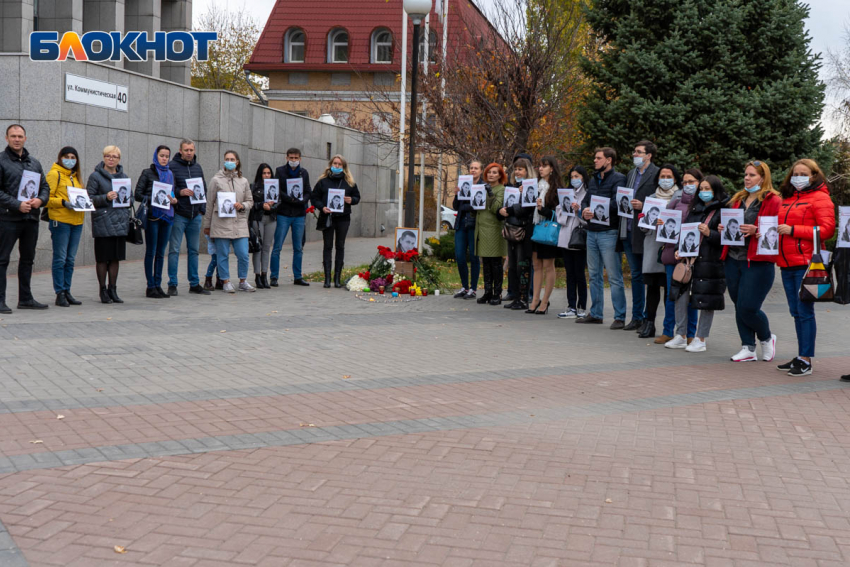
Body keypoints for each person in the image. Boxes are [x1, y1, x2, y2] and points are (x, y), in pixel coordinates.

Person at [774, 159, 835, 376]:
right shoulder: (788, 199)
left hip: (807, 263)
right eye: (795, 173)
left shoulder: (821, 198)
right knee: (796, 312)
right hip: (786, 263)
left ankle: (806, 359)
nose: (798, 177)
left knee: (804, 311)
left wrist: (793, 230)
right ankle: (801, 355)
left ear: (814, 176)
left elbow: (827, 230)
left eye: (803, 173)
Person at [721, 160, 781, 363]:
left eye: (752, 175)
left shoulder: (773, 200)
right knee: (738, 305)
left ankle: (766, 338)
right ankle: (747, 347)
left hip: (757, 261)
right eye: (745, 174)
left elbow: (778, 229)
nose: (747, 178)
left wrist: (758, 231)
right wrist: (723, 229)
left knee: (748, 307)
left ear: (763, 178)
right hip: (733, 259)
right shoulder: (738, 199)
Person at [665, 175, 728, 353]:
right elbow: (684, 231)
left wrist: (710, 233)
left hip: (710, 262)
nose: (704, 192)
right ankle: (681, 335)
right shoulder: (695, 209)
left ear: (715, 190)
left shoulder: (723, 210)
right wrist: (679, 248)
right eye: (702, 189)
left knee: (707, 300)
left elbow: (728, 239)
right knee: (680, 295)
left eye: (707, 189)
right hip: (689, 260)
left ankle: (701, 338)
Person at [0, 124, 51, 313]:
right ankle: (0, 300)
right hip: (8, 219)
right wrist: (16, 204)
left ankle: (26, 298)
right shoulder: (1, 161)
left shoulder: (34, 163)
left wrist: (40, 199)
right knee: (2, 260)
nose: (16, 139)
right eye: (13, 136)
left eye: (20, 136)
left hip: (31, 219)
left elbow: (45, 187)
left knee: (28, 260)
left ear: (25, 139)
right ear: (6, 138)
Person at [577, 148, 627, 326]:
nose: (595, 161)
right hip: (592, 232)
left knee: (614, 277)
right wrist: (585, 210)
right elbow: (585, 199)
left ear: (609, 160)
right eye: (595, 158)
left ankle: (619, 316)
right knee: (594, 275)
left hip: (609, 233)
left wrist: (596, 209)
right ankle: (596, 313)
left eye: (598, 158)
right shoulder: (593, 179)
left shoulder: (619, 178)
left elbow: (617, 203)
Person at [636, 164, 679, 338]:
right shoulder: (651, 198)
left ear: (675, 179)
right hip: (653, 247)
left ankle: (669, 328)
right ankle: (649, 323)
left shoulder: (680, 198)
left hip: (671, 249)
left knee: (669, 289)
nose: (666, 179)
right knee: (652, 287)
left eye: (669, 176)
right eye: (663, 176)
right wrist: (644, 221)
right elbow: (645, 229)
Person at [621, 140, 660, 331]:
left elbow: (662, 201)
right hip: (629, 230)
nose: (635, 155)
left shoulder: (657, 174)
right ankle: (636, 317)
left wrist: (643, 206)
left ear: (649, 155)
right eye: (634, 152)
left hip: (647, 232)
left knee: (649, 277)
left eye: (639, 152)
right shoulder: (631, 174)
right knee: (635, 275)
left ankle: (648, 318)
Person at [203, 150, 255, 293]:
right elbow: (209, 203)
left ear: (237, 162)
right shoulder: (216, 180)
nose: (230, 161)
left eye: (232, 159)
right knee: (222, 254)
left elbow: (250, 201)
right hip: (221, 223)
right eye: (227, 159)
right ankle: (225, 281)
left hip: (239, 223)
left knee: (243, 254)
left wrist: (242, 205)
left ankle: (243, 281)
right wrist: (207, 225)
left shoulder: (243, 181)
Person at [86, 145, 131, 304]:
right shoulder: (95, 176)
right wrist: (105, 197)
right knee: (102, 258)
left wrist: (126, 199)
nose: (111, 159)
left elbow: (130, 200)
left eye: (114, 156)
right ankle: (102, 289)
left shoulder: (123, 176)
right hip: (103, 221)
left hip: (119, 222)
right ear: (104, 157)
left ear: (119, 159)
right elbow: (88, 198)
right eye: (108, 156)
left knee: (115, 258)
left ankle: (113, 288)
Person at [167, 138, 210, 296]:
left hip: (195, 216)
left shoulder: (198, 167)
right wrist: (180, 192)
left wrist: (202, 210)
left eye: (191, 150)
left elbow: (203, 189)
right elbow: (168, 189)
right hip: (179, 214)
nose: (189, 153)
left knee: (194, 251)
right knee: (174, 250)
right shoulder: (172, 167)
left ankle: (194, 283)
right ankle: (172, 283)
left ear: (194, 151)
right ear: (180, 151)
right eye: (186, 150)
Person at [311, 155, 361, 288]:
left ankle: (337, 278)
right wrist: (322, 207)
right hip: (328, 217)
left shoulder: (349, 182)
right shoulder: (323, 181)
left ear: (344, 167)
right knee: (327, 246)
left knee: (340, 246)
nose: (337, 166)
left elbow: (357, 197)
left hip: (343, 218)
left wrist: (351, 200)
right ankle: (327, 278)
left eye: (339, 164)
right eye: (335, 163)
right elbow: (314, 197)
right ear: (330, 165)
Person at [135, 145, 178, 299]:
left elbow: (172, 192)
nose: (164, 159)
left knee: (161, 253)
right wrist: (152, 198)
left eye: (167, 156)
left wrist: (174, 199)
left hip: (167, 216)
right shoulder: (147, 173)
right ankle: (150, 286)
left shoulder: (171, 174)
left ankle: (158, 285)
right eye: (162, 155)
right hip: (153, 216)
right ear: (156, 156)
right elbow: (137, 194)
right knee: (151, 251)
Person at [45, 146, 85, 307]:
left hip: (77, 222)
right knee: (60, 258)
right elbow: (46, 198)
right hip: (60, 221)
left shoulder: (76, 177)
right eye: (67, 156)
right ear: (60, 157)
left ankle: (67, 290)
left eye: (73, 157)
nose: (70, 160)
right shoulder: (54, 174)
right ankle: (59, 292)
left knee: (70, 259)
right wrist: (63, 202)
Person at [527, 156, 563, 315]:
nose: (540, 169)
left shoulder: (557, 189)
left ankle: (545, 301)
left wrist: (543, 210)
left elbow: (559, 214)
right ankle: (535, 299)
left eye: (544, 166)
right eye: (539, 166)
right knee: (536, 266)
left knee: (548, 266)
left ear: (552, 169)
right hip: (536, 229)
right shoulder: (536, 186)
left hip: (549, 231)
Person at [272, 148, 311, 287]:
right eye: (291, 158)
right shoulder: (280, 171)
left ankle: (298, 276)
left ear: (300, 158)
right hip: (284, 213)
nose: (293, 160)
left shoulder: (304, 173)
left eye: (296, 158)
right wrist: (289, 198)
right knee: (277, 246)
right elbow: (276, 189)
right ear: (286, 157)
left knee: (298, 248)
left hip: (299, 214)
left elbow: (308, 191)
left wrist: (302, 200)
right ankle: (274, 276)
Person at [500, 157, 535, 310]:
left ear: (527, 171)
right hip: (511, 228)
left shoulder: (531, 186)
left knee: (522, 265)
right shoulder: (513, 186)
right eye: (516, 169)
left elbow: (526, 208)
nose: (517, 171)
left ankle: (523, 298)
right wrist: (502, 211)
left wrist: (511, 209)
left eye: (521, 169)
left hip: (523, 230)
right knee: (513, 265)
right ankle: (515, 296)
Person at [556, 165, 588, 319]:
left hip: (579, 238)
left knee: (579, 274)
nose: (574, 179)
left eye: (577, 176)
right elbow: (559, 216)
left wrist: (578, 211)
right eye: (572, 177)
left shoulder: (587, 194)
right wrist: (564, 209)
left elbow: (589, 219)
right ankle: (571, 306)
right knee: (569, 274)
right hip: (565, 237)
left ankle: (582, 307)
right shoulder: (566, 193)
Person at [474, 163, 508, 304]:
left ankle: (497, 293)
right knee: (486, 263)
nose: (491, 175)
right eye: (489, 172)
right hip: (481, 228)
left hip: (494, 229)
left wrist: (490, 193)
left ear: (500, 175)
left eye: (494, 172)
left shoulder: (502, 189)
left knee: (495, 262)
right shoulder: (481, 187)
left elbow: (497, 208)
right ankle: (487, 292)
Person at [452, 160, 482, 299]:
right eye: (471, 168)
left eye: (476, 168)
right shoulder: (463, 183)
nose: (473, 170)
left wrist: (467, 207)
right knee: (460, 256)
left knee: (474, 257)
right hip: (461, 224)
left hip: (474, 224)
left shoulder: (482, 186)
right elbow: (456, 206)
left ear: (481, 171)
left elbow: (479, 206)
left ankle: (473, 289)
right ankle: (464, 286)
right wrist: (457, 194)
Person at [249, 163, 277, 289]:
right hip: (258, 219)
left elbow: (279, 202)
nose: (267, 175)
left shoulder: (275, 186)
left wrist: (271, 206)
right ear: (260, 174)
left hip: (271, 218)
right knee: (258, 248)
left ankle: (265, 275)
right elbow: (251, 204)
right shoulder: (254, 186)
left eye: (269, 173)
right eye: (264, 173)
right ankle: (257, 276)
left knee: (266, 247)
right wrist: (261, 205)